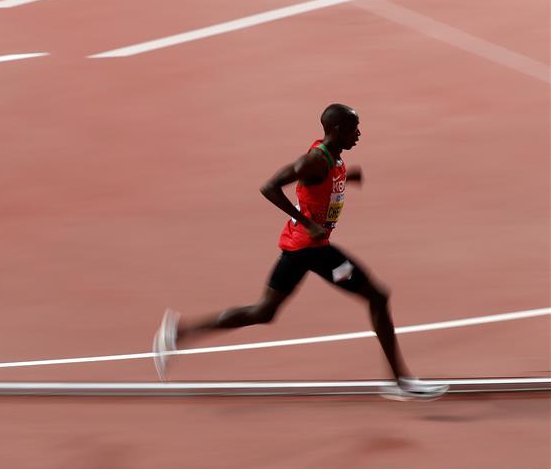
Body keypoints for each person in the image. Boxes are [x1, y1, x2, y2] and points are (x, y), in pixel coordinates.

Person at [152, 103, 448, 401]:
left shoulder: (333, 158)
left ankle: (179, 332)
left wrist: (348, 179)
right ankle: (400, 381)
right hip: (309, 250)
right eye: (353, 128)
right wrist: (308, 224)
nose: (359, 134)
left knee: (263, 312)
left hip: (303, 250)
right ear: (336, 130)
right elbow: (269, 187)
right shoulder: (314, 161)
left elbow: (320, 187)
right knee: (377, 296)